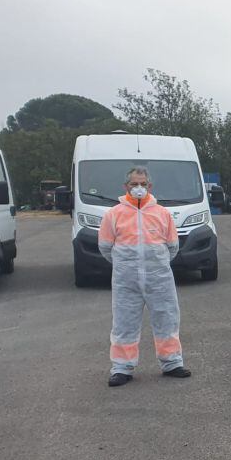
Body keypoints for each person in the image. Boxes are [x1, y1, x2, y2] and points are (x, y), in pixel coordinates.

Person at [98, 166, 191, 387]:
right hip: (126, 280)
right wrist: (126, 265)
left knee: (167, 318)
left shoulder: (162, 213)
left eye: (142, 184)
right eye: (133, 184)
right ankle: (122, 367)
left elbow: (172, 247)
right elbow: (105, 247)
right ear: (126, 186)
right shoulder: (113, 215)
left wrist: (155, 265)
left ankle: (172, 363)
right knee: (124, 323)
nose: (138, 188)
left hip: (159, 278)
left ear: (149, 186)